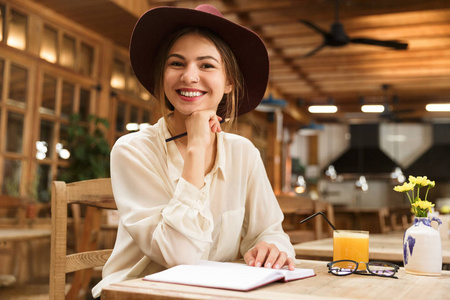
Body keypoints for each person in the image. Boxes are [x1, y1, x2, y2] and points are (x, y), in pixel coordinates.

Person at [92, 4, 295, 297]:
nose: (189, 76)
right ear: (163, 77)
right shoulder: (133, 150)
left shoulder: (244, 153)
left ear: (228, 83)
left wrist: (271, 248)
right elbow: (180, 255)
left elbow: (270, 231)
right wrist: (197, 147)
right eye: (176, 64)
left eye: (206, 65)